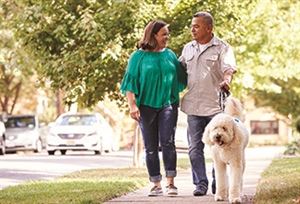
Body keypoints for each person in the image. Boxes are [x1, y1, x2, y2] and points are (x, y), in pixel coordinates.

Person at [120, 20, 186, 197]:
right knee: (150, 147)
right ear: (153, 35)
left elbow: (182, 76)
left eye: (167, 34)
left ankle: (171, 183)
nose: (167, 37)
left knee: (168, 142)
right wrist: (132, 105)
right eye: (164, 34)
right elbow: (130, 82)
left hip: (168, 105)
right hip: (145, 106)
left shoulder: (170, 55)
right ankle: (156, 184)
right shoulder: (138, 57)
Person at [179, 11, 237, 196]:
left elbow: (228, 69)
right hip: (193, 106)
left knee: (218, 147)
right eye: (192, 25)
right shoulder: (188, 48)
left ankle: (217, 183)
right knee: (195, 147)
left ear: (209, 28)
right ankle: (200, 184)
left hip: (215, 107)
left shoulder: (222, 47)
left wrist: (226, 81)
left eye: (196, 26)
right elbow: (177, 70)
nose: (192, 29)